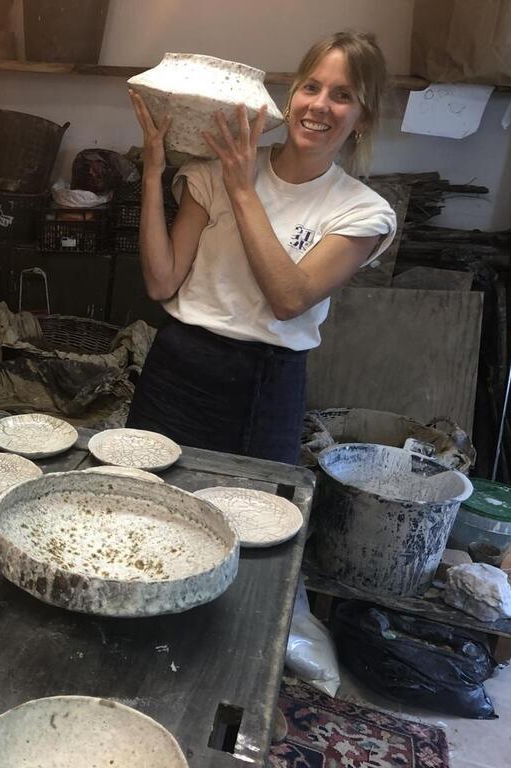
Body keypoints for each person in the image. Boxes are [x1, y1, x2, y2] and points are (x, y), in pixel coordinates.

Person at [126, 31, 397, 464]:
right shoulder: (212, 173)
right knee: (138, 501)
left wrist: (243, 191)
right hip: (177, 368)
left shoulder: (362, 212)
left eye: (343, 95)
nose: (320, 105)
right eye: (311, 87)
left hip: (265, 384)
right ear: (291, 97)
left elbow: (289, 299)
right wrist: (152, 173)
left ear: (363, 118)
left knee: (251, 516)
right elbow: (161, 282)